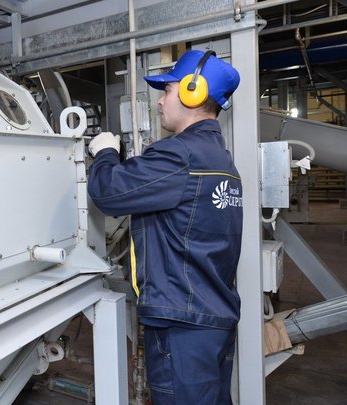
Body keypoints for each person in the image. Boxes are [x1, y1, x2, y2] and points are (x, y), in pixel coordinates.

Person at [87, 49, 242, 404]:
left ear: (192, 92)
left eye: (167, 90)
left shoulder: (180, 155)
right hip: (212, 317)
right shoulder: (221, 159)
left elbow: (109, 192)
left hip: (182, 326)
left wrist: (106, 152)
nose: (159, 101)